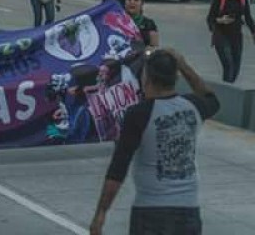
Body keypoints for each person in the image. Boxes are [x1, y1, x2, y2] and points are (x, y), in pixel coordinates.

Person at [89, 49, 220, 235]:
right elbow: (212, 99)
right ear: (175, 77)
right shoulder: (194, 106)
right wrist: (183, 65)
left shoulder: (139, 114)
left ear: (146, 77)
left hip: (151, 211)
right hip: (188, 210)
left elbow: (118, 168)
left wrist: (101, 213)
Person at [206, 0, 255, 83]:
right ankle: (227, 94)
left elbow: (248, 18)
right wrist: (221, 20)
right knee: (228, 65)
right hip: (221, 35)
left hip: (236, 37)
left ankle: (228, 88)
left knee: (236, 69)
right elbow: (210, 18)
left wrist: (253, 32)